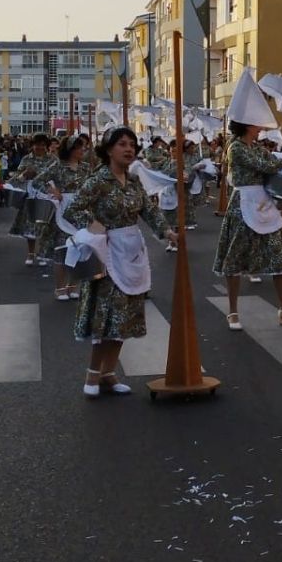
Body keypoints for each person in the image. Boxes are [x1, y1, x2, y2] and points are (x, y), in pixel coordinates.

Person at [64, 127, 174, 396]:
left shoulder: (134, 180)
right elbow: (73, 209)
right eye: (122, 144)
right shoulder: (99, 180)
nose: (129, 149)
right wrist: (93, 225)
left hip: (132, 251)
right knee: (105, 317)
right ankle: (92, 375)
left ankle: (109, 373)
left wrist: (167, 232)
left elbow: (149, 210)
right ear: (109, 149)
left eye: (132, 144)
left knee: (123, 318)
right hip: (107, 254)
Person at [216, 120, 282, 328]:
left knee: (278, 255)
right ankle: (232, 312)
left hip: (263, 203)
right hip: (242, 203)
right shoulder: (236, 148)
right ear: (246, 125)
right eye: (256, 124)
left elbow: (277, 166)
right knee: (235, 256)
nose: (260, 127)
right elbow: (268, 166)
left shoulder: (257, 148)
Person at [40, 134, 93, 299]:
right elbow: (38, 181)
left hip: (82, 211)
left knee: (80, 248)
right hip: (63, 212)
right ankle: (60, 288)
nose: (82, 150)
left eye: (83, 147)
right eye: (79, 147)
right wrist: (53, 190)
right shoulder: (58, 166)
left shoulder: (86, 168)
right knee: (63, 250)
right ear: (71, 150)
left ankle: (73, 285)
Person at [7, 134, 55, 264]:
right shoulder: (26, 159)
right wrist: (24, 174)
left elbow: (57, 176)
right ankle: (30, 253)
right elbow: (17, 177)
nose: (39, 147)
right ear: (33, 145)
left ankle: (42, 252)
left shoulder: (52, 159)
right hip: (30, 195)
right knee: (30, 225)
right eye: (37, 144)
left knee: (44, 226)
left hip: (47, 195)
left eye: (42, 145)